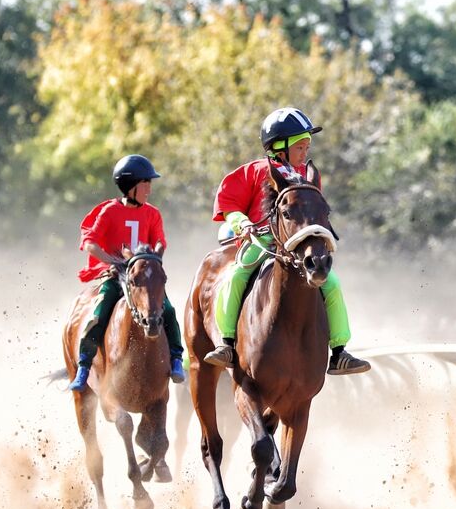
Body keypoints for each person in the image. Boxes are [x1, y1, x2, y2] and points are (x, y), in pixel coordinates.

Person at [203, 107, 369, 376]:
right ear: (279, 148)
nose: (305, 153)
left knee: (332, 283)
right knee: (236, 276)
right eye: (300, 147)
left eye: (307, 147)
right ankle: (227, 343)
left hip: (298, 246)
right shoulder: (255, 171)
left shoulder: (307, 176)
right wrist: (241, 223)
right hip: (262, 241)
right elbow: (230, 206)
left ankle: (339, 352)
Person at [68, 155, 187, 391]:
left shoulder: (153, 213)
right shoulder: (109, 212)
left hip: (142, 278)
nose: (149, 189)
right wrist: (112, 262)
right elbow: (90, 243)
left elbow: (160, 241)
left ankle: (176, 358)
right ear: (130, 186)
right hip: (116, 275)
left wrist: (155, 255)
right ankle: (84, 365)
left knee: (168, 310)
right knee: (99, 313)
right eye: (145, 183)